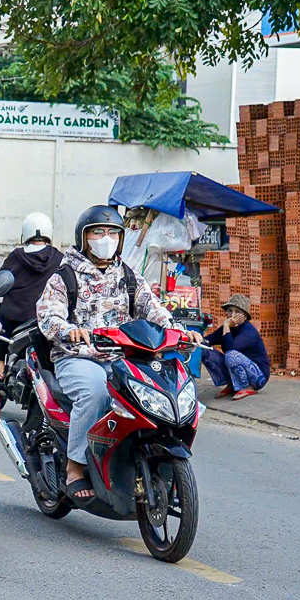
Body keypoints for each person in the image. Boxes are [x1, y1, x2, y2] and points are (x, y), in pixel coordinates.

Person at [36, 205, 204, 505]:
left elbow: (154, 309)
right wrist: (69, 330)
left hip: (122, 357)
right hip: (78, 356)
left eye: (113, 233)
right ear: (85, 238)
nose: (106, 238)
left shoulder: (127, 276)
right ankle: (75, 467)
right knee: (96, 393)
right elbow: (49, 315)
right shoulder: (65, 276)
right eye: (98, 232)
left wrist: (180, 331)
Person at [0, 212, 66, 374]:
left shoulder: (16, 256)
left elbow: (0, 280)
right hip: (46, 317)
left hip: (16, 317)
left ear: (25, 233)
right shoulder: (59, 257)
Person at [202, 294, 270, 399]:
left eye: (237, 312)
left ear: (245, 316)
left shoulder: (249, 331)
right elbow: (208, 341)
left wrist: (226, 326)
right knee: (205, 351)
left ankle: (246, 387)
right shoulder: (228, 328)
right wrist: (193, 337)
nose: (232, 315)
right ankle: (232, 384)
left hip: (258, 376)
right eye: (230, 311)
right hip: (238, 365)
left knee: (231, 355)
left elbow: (231, 349)